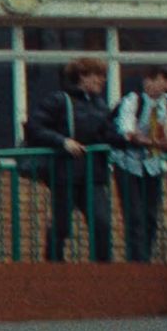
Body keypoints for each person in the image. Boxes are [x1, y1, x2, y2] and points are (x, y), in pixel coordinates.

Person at [23, 57, 126, 262]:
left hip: (93, 175)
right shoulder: (59, 100)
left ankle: (103, 273)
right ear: (81, 76)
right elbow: (34, 126)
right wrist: (63, 141)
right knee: (61, 225)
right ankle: (54, 266)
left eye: (103, 76)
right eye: (97, 75)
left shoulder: (101, 105)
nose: (102, 80)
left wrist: (130, 138)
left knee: (102, 223)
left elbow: (107, 135)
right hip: (65, 174)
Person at [113, 66, 167, 261]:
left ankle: (146, 259)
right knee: (135, 218)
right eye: (148, 79)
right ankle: (137, 263)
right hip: (128, 165)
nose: (149, 83)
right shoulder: (133, 100)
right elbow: (127, 131)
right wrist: (154, 142)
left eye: (155, 79)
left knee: (150, 217)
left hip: (152, 166)